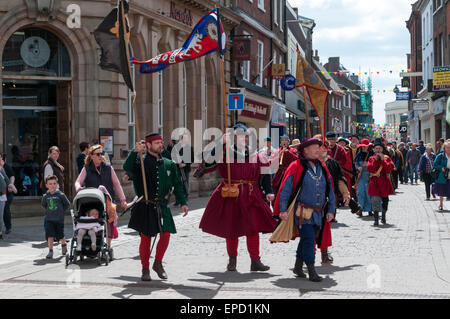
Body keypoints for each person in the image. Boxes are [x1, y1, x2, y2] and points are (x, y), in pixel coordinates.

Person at [194, 123, 276, 273]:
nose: (243, 139)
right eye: (238, 136)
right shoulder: (224, 153)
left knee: (253, 228)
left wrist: (269, 191)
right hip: (231, 194)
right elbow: (207, 163)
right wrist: (219, 144)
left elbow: (265, 174)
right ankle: (232, 260)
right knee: (231, 228)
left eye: (245, 136)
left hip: (251, 195)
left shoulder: (256, 154)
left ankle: (255, 260)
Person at [124, 133, 189, 281]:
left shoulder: (169, 163)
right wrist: (134, 152)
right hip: (146, 205)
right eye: (157, 143)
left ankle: (158, 263)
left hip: (162, 205)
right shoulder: (140, 160)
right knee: (146, 239)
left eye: (161, 142)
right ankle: (145, 268)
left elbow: (177, 184)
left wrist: (183, 202)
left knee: (166, 235)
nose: (161, 145)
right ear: (148, 145)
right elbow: (127, 167)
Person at [273, 138, 335, 282]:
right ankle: (312, 270)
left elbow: (330, 190)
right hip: (302, 212)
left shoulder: (322, 167)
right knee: (308, 239)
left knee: (307, 239)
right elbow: (286, 189)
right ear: (305, 150)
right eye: (315, 148)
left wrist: (331, 210)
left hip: (318, 212)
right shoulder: (296, 166)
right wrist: (282, 209)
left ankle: (298, 266)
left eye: (319, 148)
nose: (318, 150)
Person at [75, 145, 127, 254]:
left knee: (109, 222)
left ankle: (108, 246)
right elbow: (78, 181)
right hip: (92, 201)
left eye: (102, 153)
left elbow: (117, 184)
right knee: (92, 222)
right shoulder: (87, 168)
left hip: (107, 200)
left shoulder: (108, 167)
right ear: (91, 156)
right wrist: (78, 188)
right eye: (98, 154)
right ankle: (89, 243)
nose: (100, 156)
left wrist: (123, 199)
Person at [367, 139, 395, 226]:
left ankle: (383, 216)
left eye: (379, 148)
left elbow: (389, 169)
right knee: (374, 200)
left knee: (385, 200)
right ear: (374, 150)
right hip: (375, 181)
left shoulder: (387, 158)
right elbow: (370, 169)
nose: (378, 150)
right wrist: (376, 160)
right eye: (376, 148)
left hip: (384, 181)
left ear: (382, 149)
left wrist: (383, 160)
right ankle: (376, 219)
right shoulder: (371, 158)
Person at [41, 175, 70, 259]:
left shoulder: (60, 195)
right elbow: (44, 205)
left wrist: (61, 211)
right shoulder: (45, 196)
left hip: (59, 219)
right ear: (46, 185)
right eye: (50, 184)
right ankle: (50, 251)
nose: (52, 185)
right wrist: (49, 211)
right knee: (50, 235)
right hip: (49, 219)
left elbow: (67, 204)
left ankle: (63, 244)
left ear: (57, 184)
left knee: (60, 235)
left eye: (54, 183)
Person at [171, 134, 194, 205]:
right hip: (177, 168)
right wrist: (178, 164)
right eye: (185, 138)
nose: (186, 140)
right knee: (177, 184)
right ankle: (177, 200)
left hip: (186, 169)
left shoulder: (190, 148)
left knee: (185, 183)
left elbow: (192, 159)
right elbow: (173, 157)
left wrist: (185, 164)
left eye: (187, 138)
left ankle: (185, 198)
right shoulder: (176, 147)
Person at [354, 139, 375, 217]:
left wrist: (369, 165)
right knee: (360, 192)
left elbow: (375, 164)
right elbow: (355, 164)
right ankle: (360, 209)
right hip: (361, 176)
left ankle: (370, 210)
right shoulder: (359, 154)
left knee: (369, 193)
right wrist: (358, 167)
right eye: (363, 146)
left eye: (365, 146)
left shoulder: (372, 154)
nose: (364, 148)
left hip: (370, 175)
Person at [432, 141, 450, 211]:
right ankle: (441, 204)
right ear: (444, 148)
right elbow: (435, 164)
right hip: (442, 176)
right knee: (441, 191)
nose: (449, 149)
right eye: (447, 148)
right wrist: (441, 168)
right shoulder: (441, 155)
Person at [1, 154, 17, 235]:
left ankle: (8, 227)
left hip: (7, 193)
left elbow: (12, 177)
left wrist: (11, 185)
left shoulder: (6, 167)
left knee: (5, 209)